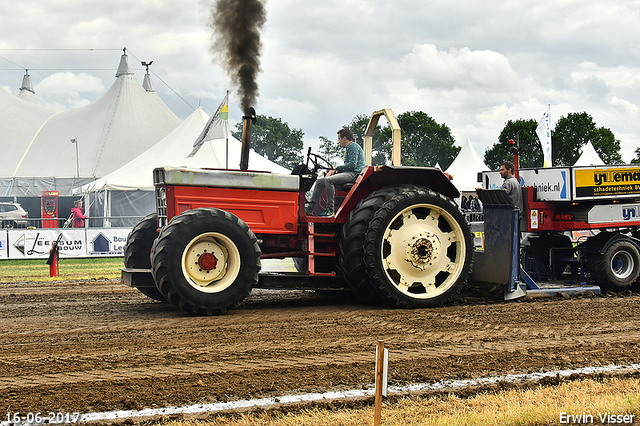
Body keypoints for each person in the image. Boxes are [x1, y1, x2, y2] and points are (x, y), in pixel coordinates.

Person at [308, 128, 366, 216]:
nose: (339, 141)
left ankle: (330, 209)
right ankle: (310, 208)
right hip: (349, 172)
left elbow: (352, 165)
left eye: (339, 139)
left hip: (354, 174)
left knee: (329, 180)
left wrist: (337, 168)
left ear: (344, 138)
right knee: (320, 182)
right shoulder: (349, 148)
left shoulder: (352, 146)